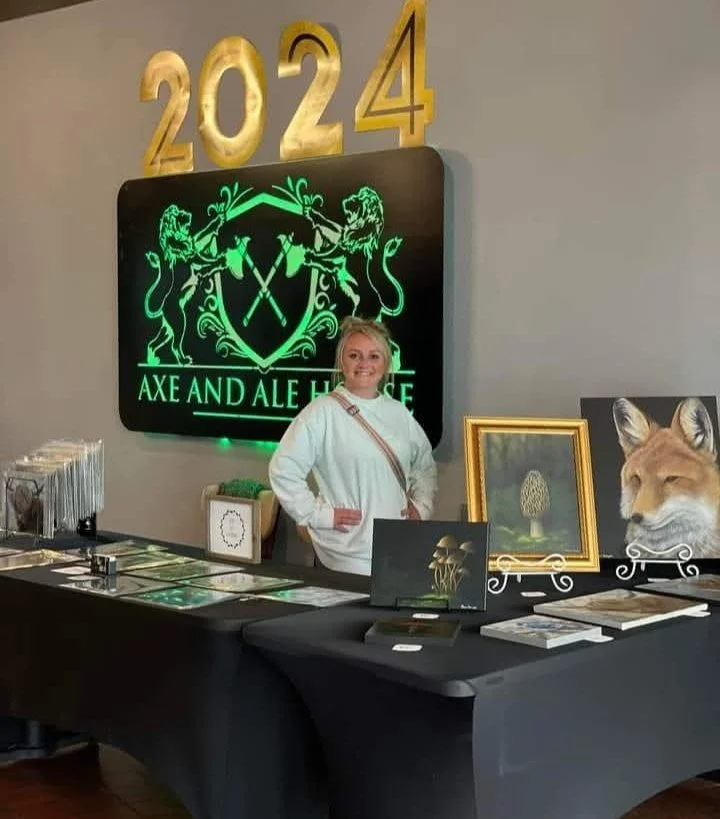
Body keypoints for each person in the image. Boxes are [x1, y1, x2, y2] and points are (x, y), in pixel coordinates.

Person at [268, 317, 437, 575]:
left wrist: (422, 507)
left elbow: (424, 465)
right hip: (343, 558)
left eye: (374, 356)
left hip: (396, 552)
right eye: (355, 355)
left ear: (386, 363)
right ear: (342, 361)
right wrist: (320, 515)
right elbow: (283, 468)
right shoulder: (322, 412)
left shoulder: (398, 413)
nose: (364, 364)